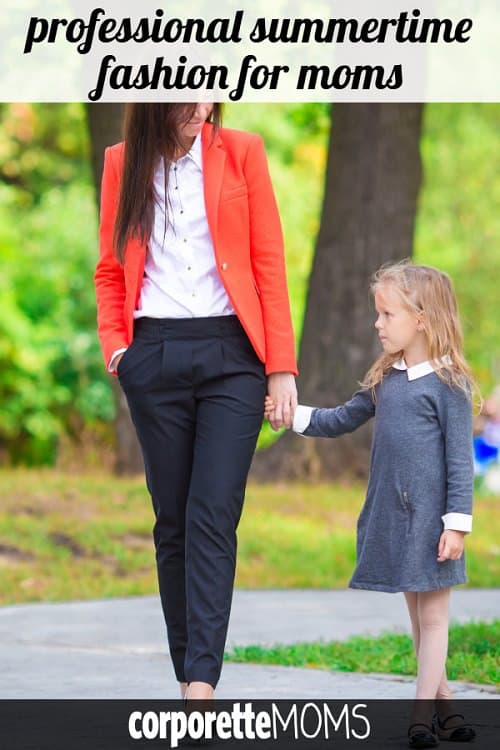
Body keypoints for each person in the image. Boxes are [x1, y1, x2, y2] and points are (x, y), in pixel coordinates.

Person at [94, 103, 298, 700]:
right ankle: (189, 671)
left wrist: (280, 367)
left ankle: (201, 685)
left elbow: (268, 263)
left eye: (208, 89)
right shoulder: (121, 163)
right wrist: (117, 351)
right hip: (152, 354)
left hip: (233, 355)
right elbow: (111, 268)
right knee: (173, 522)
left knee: (212, 514)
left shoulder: (242, 152)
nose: (201, 106)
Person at [266, 261, 478, 747]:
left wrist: (458, 524)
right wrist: (289, 414)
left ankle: (420, 719)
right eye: (377, 314)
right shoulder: (386, 379)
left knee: (434, 620)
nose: (376, 324)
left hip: (435, 523)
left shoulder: (450, 386)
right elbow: (340, 419)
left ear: (422, 318)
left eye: (386, 315)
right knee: (417, 620)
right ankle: (445, 709)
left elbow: (460, 464)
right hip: (393, 515)